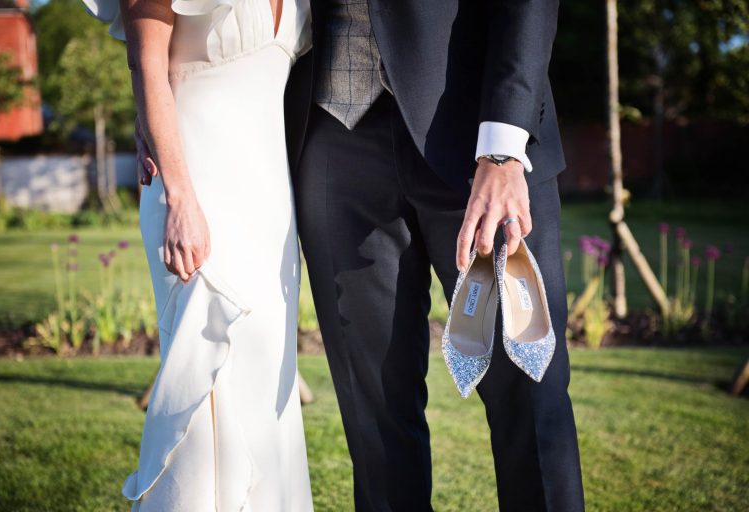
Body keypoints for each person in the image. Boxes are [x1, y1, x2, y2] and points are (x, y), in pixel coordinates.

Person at [137, 1, 585, 511]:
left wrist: (503, 150)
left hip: (480, 143)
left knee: (528, 392)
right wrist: (154, 107)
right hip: (334, 136)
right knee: (375, 415)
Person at [81, 0, 315, 510]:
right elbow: (146, 63)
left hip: (269, 204)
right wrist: (180, 198)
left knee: (265, 388)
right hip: (196, 190)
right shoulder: (185, 199)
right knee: (207, 380)